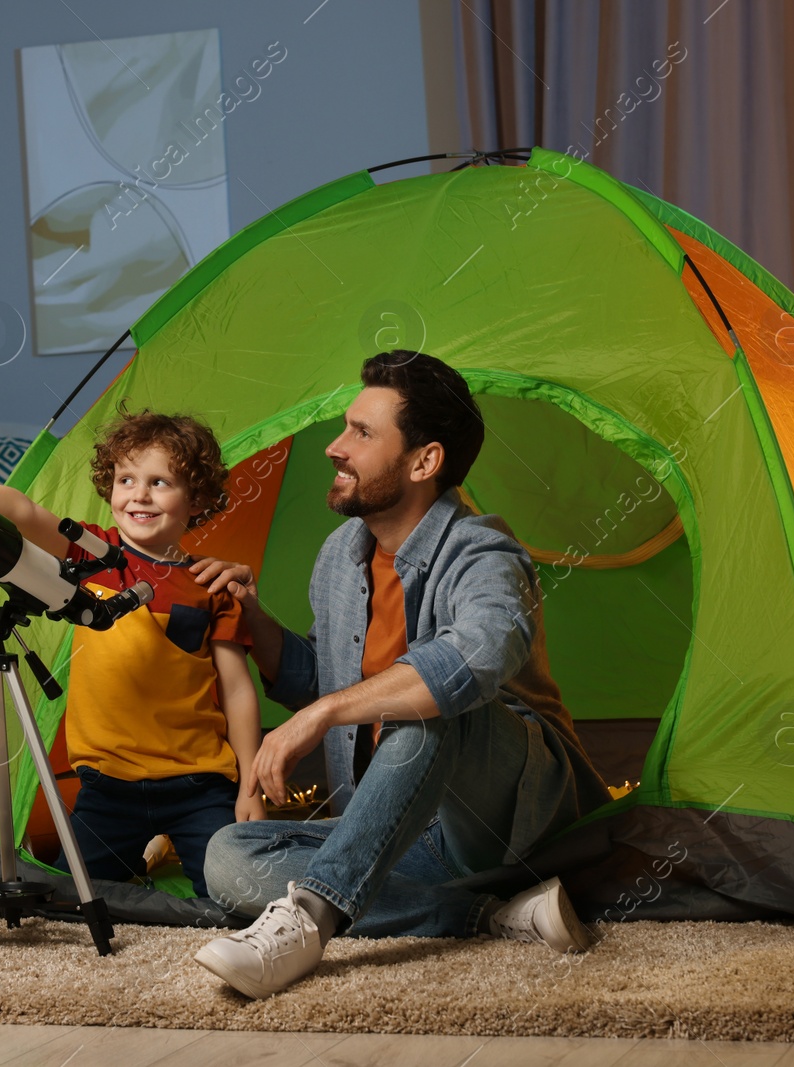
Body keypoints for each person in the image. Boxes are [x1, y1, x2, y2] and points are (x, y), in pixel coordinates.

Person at [187, 351, 610, 999]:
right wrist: (254, 620)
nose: (334, 447)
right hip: (392, 823)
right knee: (228, 856)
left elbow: (478, 655)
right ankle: (490, 916)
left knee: (430, 705)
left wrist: (320, 715)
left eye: (361, 433)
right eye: (344, 428)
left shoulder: (484, 551)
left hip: (502, 822)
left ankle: (307, 922)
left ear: (423, 461)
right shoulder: (341, 554)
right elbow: (323, 678)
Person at [0, 408, 264, 898]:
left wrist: (250, 789)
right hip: (108, 787)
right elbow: (21, 511)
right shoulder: (91, 554)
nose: (139, 494)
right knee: (76, 902)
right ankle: (142, 852)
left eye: (160, 482)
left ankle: (161, 850)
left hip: (199, 785)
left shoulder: (209, 585)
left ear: (196, 499)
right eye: (126, 479)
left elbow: (238, 692)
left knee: (236, 895)